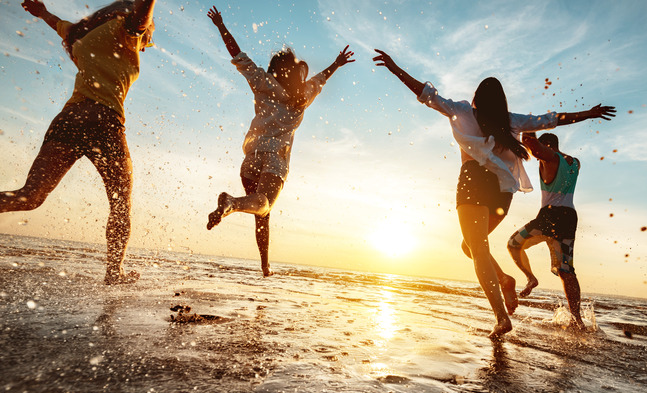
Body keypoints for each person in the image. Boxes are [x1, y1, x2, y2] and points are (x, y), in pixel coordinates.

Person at [373, 49, 614, 338]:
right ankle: (504, 279)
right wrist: (588, 114)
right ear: (502, 101)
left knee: (478, 250)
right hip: (502, 193)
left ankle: (502, 317)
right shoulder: (511, 120)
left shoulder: (463, 111)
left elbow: (427, 95)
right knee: (472, 247)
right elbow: (550, 119)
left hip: (474, 183)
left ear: (476, 97)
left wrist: (394, 68)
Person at [2, 0, 156, 285]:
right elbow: (142, 13)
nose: (146, 45)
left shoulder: (78, 35)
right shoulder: (126, 31)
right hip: (105, 123)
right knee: (121, 205)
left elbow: (54, 22)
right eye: (149, 38)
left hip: (70, 119)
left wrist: (41, 11)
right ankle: (114, 273)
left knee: (31, 196)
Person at [205, 6, 354, 277]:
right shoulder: (303, 96)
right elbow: (322, 78)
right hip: (275, 159)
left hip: (250, 159)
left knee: (262, 212)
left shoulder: (262, 82)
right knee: (262, 203)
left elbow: (238, 56)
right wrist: (337, 62)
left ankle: (264, 267)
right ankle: (231, 203)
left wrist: (221, 26)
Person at [508, 132, 585, 329]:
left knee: (513, 244)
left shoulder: (550, 157)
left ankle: (531, 278)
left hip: (549, 216)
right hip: (569, 217)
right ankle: (578, 320)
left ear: (548, 146)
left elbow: (533, 147)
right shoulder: (575, 162)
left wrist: (529, 126)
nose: (536, 157)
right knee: (566, 270)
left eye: (540, 151)